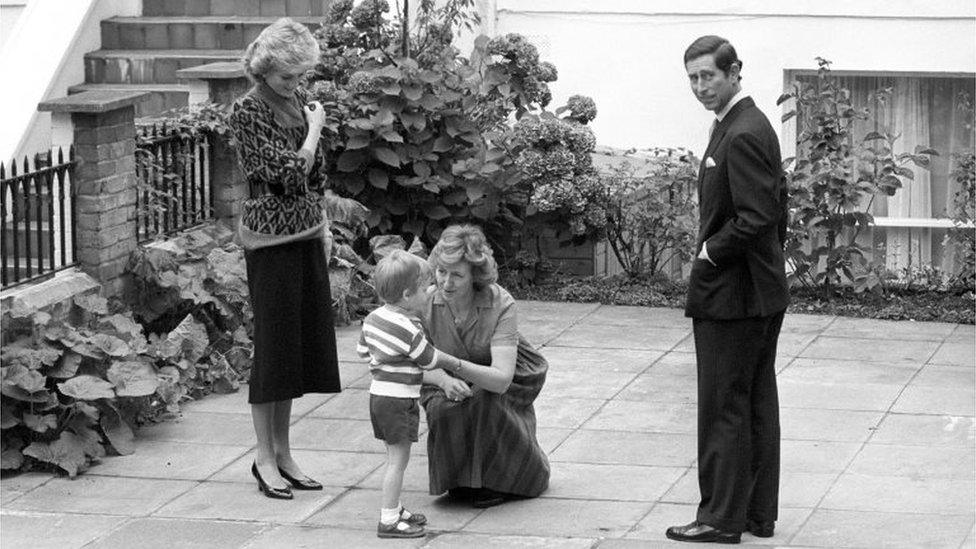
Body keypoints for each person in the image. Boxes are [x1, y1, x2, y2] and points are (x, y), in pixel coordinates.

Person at [665, 36, 790, 544]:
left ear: (734, 71)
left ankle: (719, 519)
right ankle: (754, 516)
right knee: (754, 403)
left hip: (735, 296)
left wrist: (711, 251)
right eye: (692, 78)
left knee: (724, 408)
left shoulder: (741, 132)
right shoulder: (743, 124)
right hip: (756, 292)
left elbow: (758, 215)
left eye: (708, 77)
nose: (700, 87)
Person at [227, 18, 341, 500]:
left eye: (299, 78)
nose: (295, 86)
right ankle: (262, 456)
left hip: (306, 232)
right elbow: (288, 172)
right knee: (274, 348)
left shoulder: (293, 101)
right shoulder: (247, 111)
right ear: (264, 71)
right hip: (268, 239)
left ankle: (286, 453)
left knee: (296, 345)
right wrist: (314, 131)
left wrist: (325, 226)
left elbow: (315, 181)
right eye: (286, 78)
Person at [419, 224, 550, 509]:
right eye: (441, 272)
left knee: (484, 400)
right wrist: (442, 380)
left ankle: (511, 479)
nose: (446, 283)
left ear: (475, 276)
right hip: (444, 375)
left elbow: (502, 378)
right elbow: (410, 361)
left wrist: (453, 364)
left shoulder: (500, 303)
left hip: (500, 374)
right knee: (443, 407)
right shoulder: (425, 303)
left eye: (457, 275)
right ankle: (459, 481)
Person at [356, 250, 453, 538]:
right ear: (408, 294)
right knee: (398, 463)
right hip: (398, 401)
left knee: (392, 456)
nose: (429, 294)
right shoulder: (409, 327)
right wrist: (452, 362)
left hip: (378, 396)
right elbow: (429, 359)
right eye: (425, 290)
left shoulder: (373, 318)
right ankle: (388, 519)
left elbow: (363, 351)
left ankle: (396, 509)